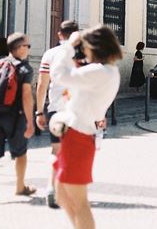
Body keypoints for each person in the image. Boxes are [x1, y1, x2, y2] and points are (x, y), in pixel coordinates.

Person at [49, 25, 122, 229]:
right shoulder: (107, 71)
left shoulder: (100, 71)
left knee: (79, 202)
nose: (85, 50)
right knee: (62, 194)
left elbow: (59, 74)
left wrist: (68, 46)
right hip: (75, 135)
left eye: (86, 46)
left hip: (78, 137)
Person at [0, 32, 36, 205]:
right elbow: (27, 96)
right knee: (21, 153)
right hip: (15, 116)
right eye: (27, 46)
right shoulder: (24, 68)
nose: (28, 49)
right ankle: (20, 186)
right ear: (19, 48)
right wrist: (30, 121)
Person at [36, 20, 79, 209]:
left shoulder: (50, 54)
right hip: (78, 111)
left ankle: (51, 188)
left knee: (56, 150)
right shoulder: (83, 54)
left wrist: (39, 111)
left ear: (59, 34)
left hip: (56, 110)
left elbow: (42, 85)